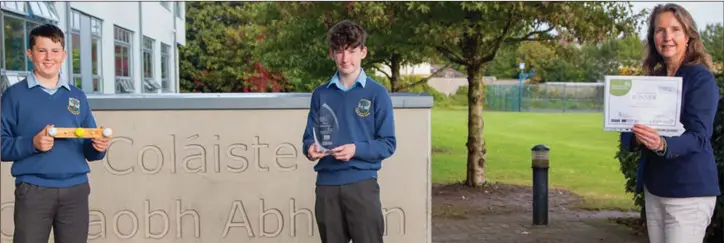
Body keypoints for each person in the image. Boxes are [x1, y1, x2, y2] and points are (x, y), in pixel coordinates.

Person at [1, 23, 110, 243]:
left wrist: (98, 148)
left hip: (75, 190)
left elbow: (89, 148)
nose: (49, 57)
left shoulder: (77, 96)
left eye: (55, 51)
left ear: (64, 54)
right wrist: (32, 143)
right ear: (30, 54)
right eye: (42, 50)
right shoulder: (13, 96)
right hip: (33, 190)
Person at [620, 3, 719, 243]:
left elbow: (699, 135)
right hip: (655, 188)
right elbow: (627, 132)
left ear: (688, 36)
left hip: (688, 192)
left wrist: (663, 144)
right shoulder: (652, 80)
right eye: (659, 30)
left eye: (675, 29)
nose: (667, 37)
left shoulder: (700, 79)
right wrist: (637, 135)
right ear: (653, 37)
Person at [301, 19, 396, 243]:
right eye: (339, 51)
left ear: (363, 52)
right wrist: (310, 148)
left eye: (352, 51)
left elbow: (388, 143)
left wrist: (356, 149)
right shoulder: (320, 94)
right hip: (326, 187)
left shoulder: (377, 93)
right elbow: (308, 137)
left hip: (362, 185)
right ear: (331, 54)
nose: (345, 58)